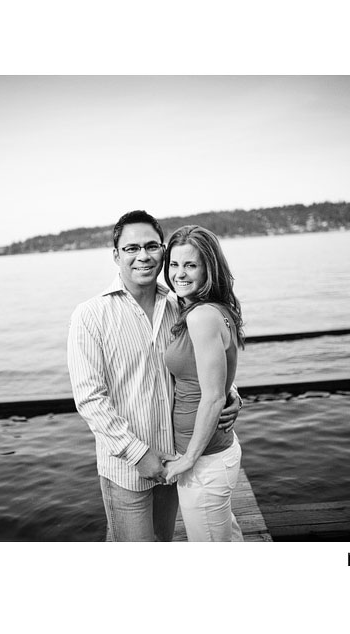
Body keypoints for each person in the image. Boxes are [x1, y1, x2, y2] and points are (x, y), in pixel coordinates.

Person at [67, 210, 242, 542]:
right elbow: (90, 400)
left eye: (151, 246)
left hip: (174, 463)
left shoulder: (180, 305)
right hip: (127, 469)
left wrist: (232, 394)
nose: (143, 256)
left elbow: (200, 368)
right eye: (132, 248)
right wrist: (138, 454)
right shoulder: (91, 315)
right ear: (116, 254)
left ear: (163, 250)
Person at [162, 225, 246, 541]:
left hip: (205, 462)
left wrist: (188, 459)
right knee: (224, 536)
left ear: (208, 269)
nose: (179, 274)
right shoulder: (208, 309)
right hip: (213, 456)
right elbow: (218, 378)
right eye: (173, 264)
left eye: (190, 265)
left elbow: (211, 397)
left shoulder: (202, 316)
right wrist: (233, 392)